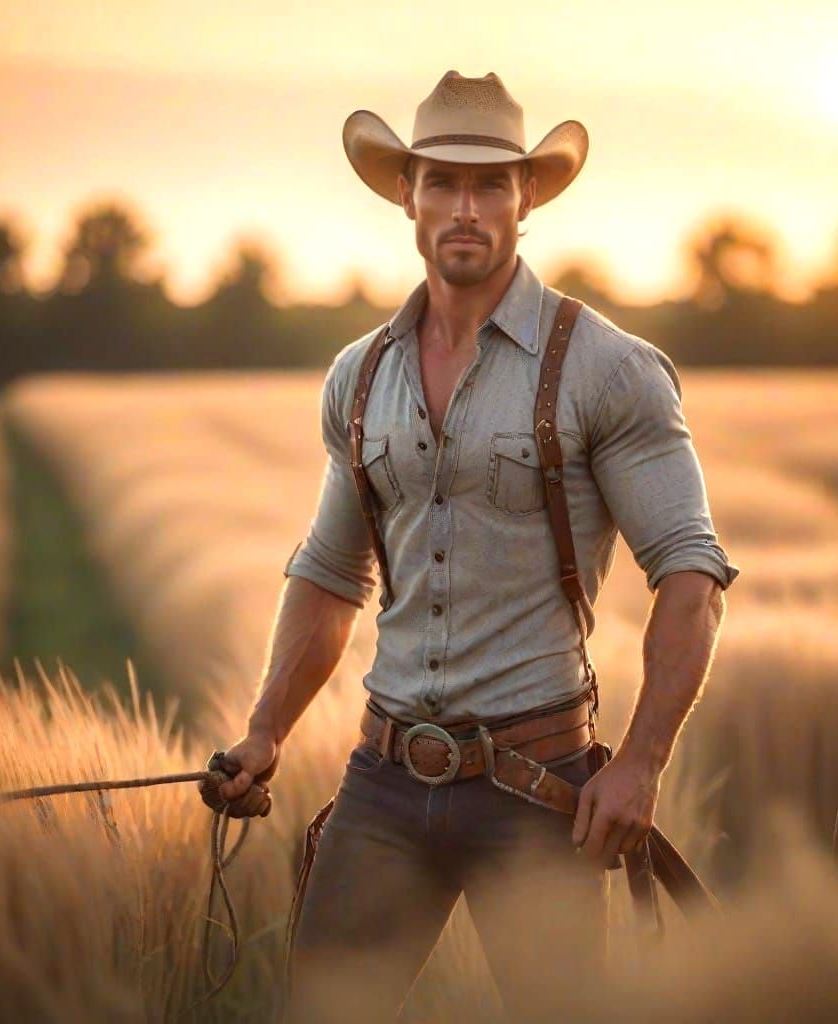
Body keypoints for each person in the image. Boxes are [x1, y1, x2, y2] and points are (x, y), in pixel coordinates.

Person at [200, 69, 740, 1022]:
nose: (465, 206)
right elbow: (330, 577)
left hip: (539, 797)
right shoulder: (358, 378)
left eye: (491, 184)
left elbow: (692, 577)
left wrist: (641, 765)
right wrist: (265, 732)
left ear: (528, 198)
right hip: (382, 784)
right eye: (442, 181)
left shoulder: (609, 370)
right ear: (405, 192)